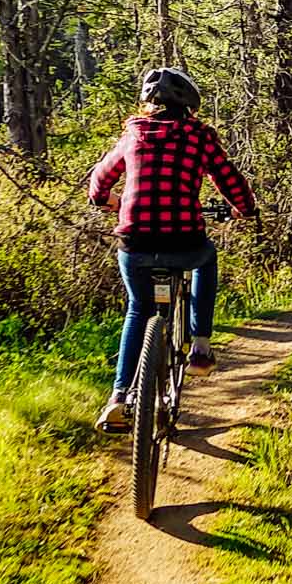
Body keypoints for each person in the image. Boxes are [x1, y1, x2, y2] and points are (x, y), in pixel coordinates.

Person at [88, 68, 257, 433]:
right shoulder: (198, 136)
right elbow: (229, 179)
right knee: (206, 258)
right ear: (189, 108)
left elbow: (99, 182)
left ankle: (118, 398)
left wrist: (113, 202)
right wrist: (245, 209)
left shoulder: (133, 134)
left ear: (149, 104)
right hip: (184, 241)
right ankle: (199, 345)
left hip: (135, 243)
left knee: (139, 308)